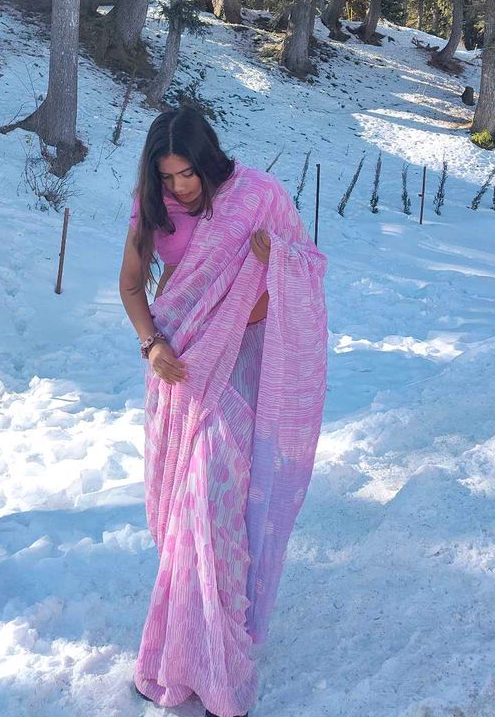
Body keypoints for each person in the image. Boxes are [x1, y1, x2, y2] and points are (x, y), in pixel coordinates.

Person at [119, 105, 328, 717]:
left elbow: (309, 270)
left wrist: (278, 261)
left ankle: (222, 666)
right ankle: (177, 656)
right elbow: (133, 285)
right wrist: (152, 344)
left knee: (210, 508)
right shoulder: (152, 207)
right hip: (183, 365)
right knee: (189, 515)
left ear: (209, 160)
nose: (180, 187)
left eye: (188, 174)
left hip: (244, 369)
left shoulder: (258, 197)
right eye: (168, 177)